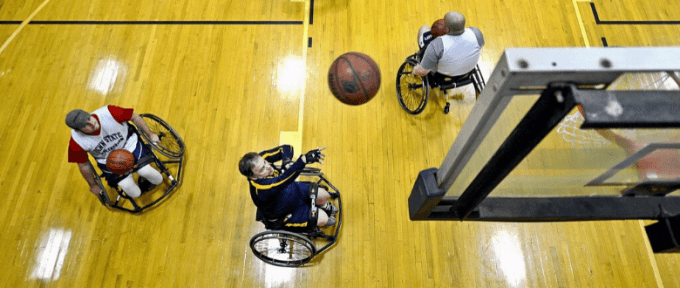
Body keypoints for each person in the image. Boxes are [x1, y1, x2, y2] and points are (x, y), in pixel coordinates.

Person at [66, 105, 164, 199]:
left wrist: (150, 134)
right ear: (78, 130)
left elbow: (134, 117)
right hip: (108, 160)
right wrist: (92, 185)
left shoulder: (109, 112)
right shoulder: (76, 142)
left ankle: (144, 174)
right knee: (134, 192)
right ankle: (131, 182)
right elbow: (84, 165)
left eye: (89, 119)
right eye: (85, 125)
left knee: (154, 176)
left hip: (129, 145)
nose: (92, 124)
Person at [239, 145, 338, 229]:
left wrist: (286, 160)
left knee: (325, 195)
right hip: (284, 213)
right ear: (253, 176)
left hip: (291, 191)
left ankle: (324, 206)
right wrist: (304, 160)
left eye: (265, 162)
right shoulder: (261, 188)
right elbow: (284, 179)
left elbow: (286, 148)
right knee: (324, 219)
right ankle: (320, 219)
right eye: (262, 170)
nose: (268, 167)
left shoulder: (259, 160)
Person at [413, 11, 485, 79]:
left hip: (443, 75)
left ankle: (422, 56)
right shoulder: (476, 33)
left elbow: (423, 72)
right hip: (468, 71)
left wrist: (415, 71)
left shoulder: (438, 44)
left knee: (424, 28)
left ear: (447, 29)